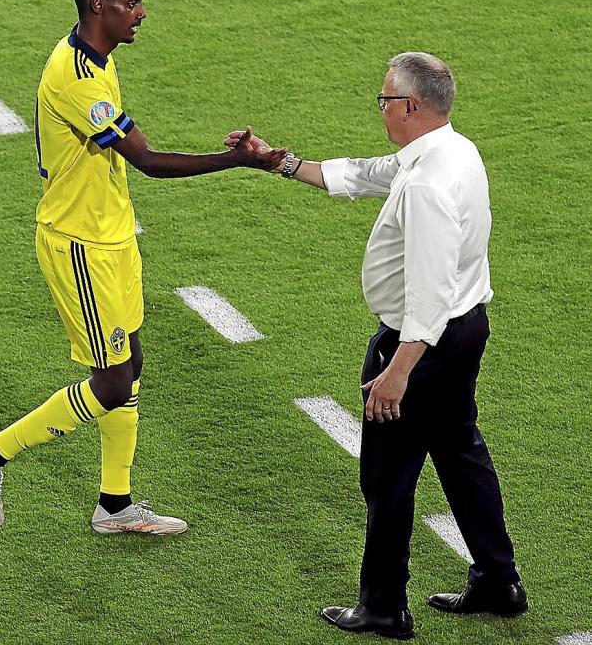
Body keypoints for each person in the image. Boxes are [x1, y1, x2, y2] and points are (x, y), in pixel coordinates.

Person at [0, 0, 285, 535]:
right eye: (131, 2)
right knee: (111, 382)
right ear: (97, 5)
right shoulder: (77, 78)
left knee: (129, 366)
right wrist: (237, 160)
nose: (141, 12)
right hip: (79, 243)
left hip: (113, 235)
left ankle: (114, 506)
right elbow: (149, 161)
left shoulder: (98, 62)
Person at [225, 52, 527, 639]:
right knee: (461, 453)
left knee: (387, 476)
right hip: (465, 329)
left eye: (385, 99)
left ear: (411, 106)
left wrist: (397, 371)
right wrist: (279, 163)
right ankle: (498, 579)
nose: (381, 108)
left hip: (422, 345)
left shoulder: (429, 187)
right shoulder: (450, 151)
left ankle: (384, 605)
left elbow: (430, 292)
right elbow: (369, 174)